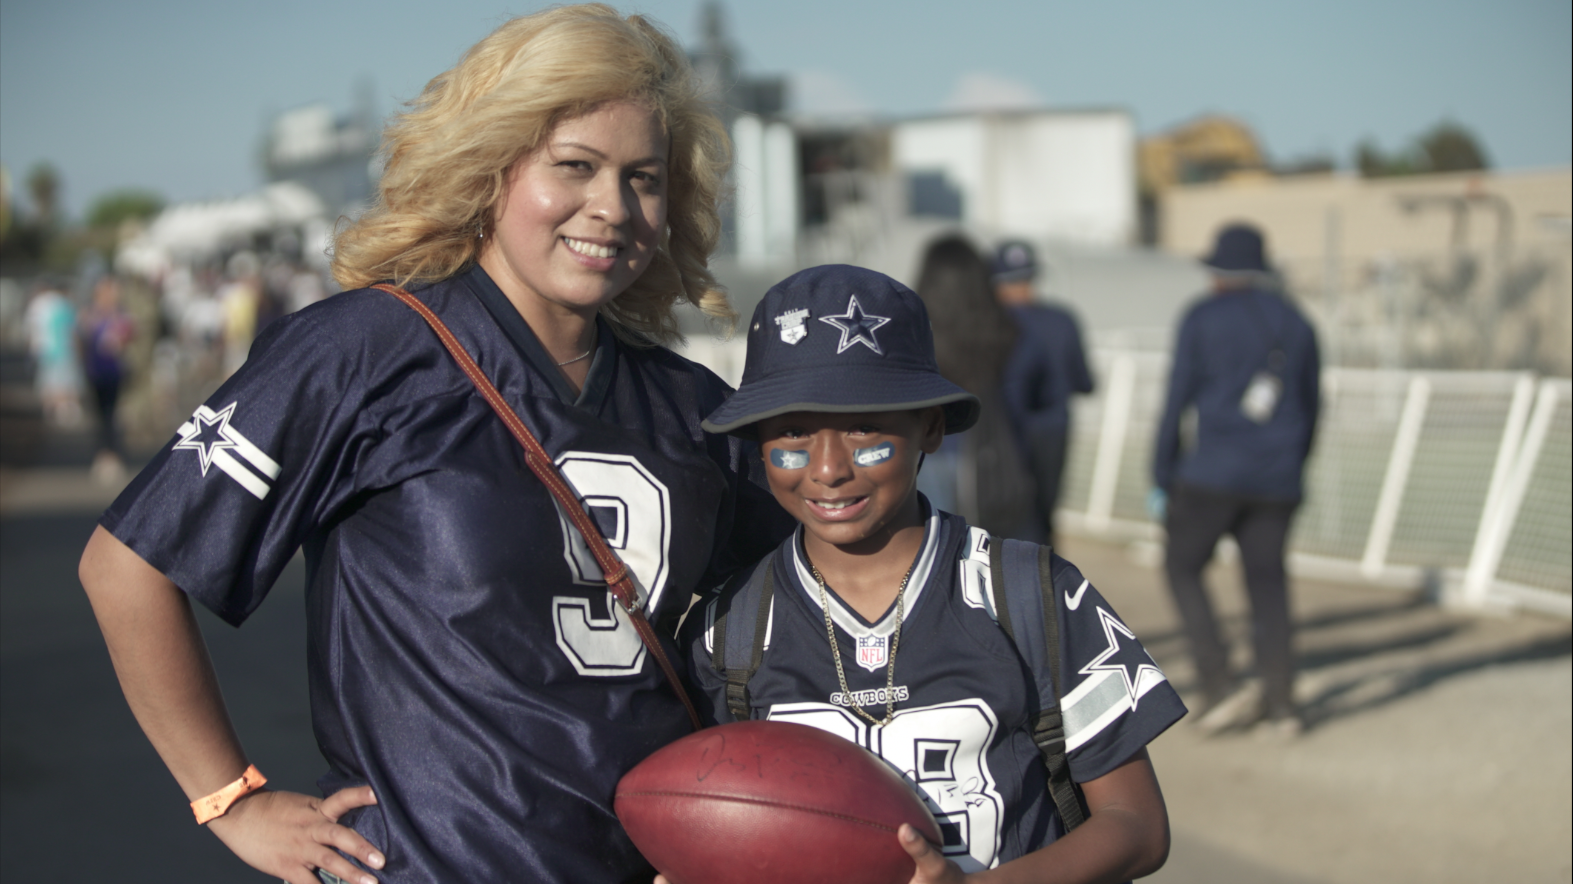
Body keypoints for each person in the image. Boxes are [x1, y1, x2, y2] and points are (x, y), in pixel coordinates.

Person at [78, 6, 790, 882]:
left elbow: (814, 620)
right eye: (574, 166)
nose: (611, 207)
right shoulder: (363, 350)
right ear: (493, 167)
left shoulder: (694, 409)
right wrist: (231, 798)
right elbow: (127, 565)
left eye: (643, 178)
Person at [682, 265, 1184, 882]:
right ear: (756, 441)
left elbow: (1137, 826)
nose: (829, 468)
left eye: (864, 425)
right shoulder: (726, 628)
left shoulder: (1032, 593)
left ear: (932, 426)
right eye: (792, 431)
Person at [1151, 223, 1320, 735]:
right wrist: (1295, 467)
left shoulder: (1202, 317)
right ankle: (1282, 700)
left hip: (1210, 476)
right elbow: (1313, 407)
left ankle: (1219, 680)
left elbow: (1177, 398)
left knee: (1182, 566)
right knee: (1268, 583)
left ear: (1218, 271)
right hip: (1277, 479)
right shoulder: (1297, 323)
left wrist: (1163, 470)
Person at [913, 235, 1036, 540]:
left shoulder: (911, 332)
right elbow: (1020, 407)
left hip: (925, 451)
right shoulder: (1007, 331)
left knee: (930, 546)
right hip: (990, 456)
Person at [993, 240, 1094, 547]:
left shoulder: (993, 323)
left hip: (1006, 429)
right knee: (1045, 514)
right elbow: (1085, 383)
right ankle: (1048, 582)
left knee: (1007, 515)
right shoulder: (1062, 320)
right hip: (1055, 429)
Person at [78, 274, 136, 480]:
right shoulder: (90, 314)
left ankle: (111, 455)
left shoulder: (120, 315)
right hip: (95, 372)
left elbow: (131, 336)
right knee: (99, 415)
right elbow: (82, 340)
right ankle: (102, 455)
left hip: (114, 372)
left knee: (112, 414)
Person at [24, 277, 83, 428]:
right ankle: (63, 409)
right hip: (62, 350)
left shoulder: (38, 304)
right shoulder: (62, 304)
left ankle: (52, 409)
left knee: (50, 381)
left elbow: (31, 329)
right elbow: (73, 329)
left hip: (45, 350)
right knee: (64, 381)